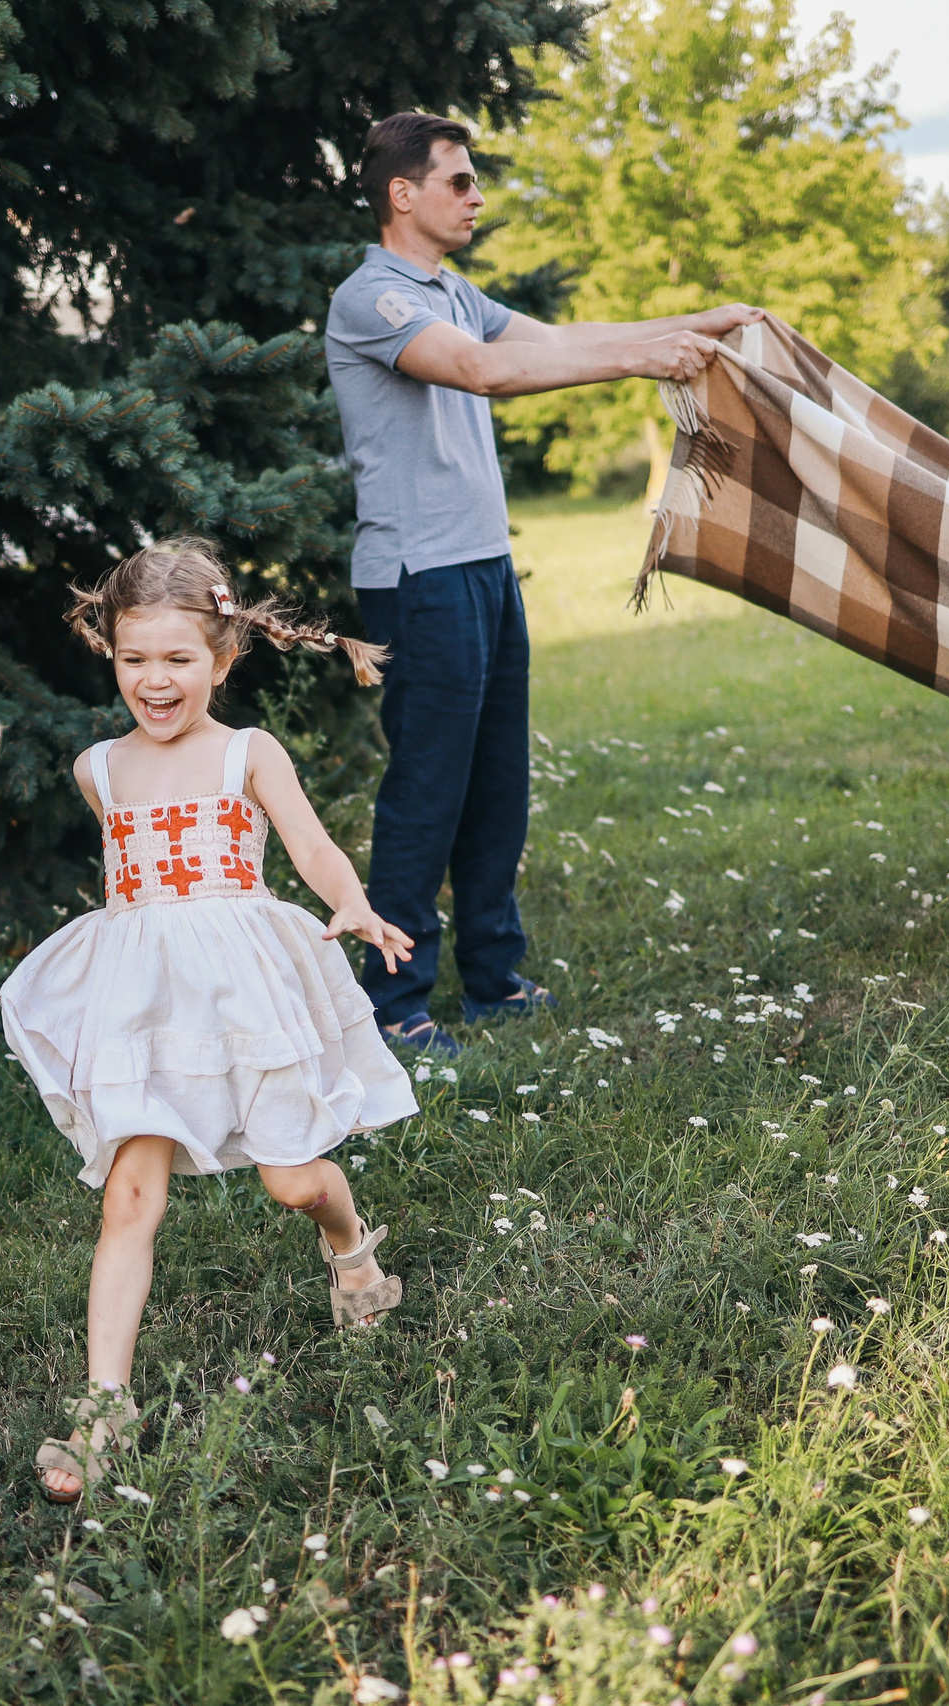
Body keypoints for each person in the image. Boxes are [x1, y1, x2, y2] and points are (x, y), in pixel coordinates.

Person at [325, 111, 760, 1055]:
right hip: (417, 578)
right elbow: (482, 373)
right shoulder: (374, 298)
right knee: (429, 790)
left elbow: (558, 341)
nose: (477, 197)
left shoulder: (454, 290)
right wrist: (648, 359)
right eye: (460, 181)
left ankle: (495, 982)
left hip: (481, 568)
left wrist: (696, 325)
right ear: (404, 195)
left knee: (498, 785)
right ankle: (394, 1006)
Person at [0, 537, 420, 1503]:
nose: (155, 680)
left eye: (178, 659)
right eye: (133, 658)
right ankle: (106, 1412)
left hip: (243, 997)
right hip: (140, 1006)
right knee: (128, 1200)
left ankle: (353, 1253)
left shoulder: (246, 754)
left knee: (290, 1180)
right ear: (111, 654)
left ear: (224, 659)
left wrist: (349, 900)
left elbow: (310, 846)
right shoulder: (98, 769)